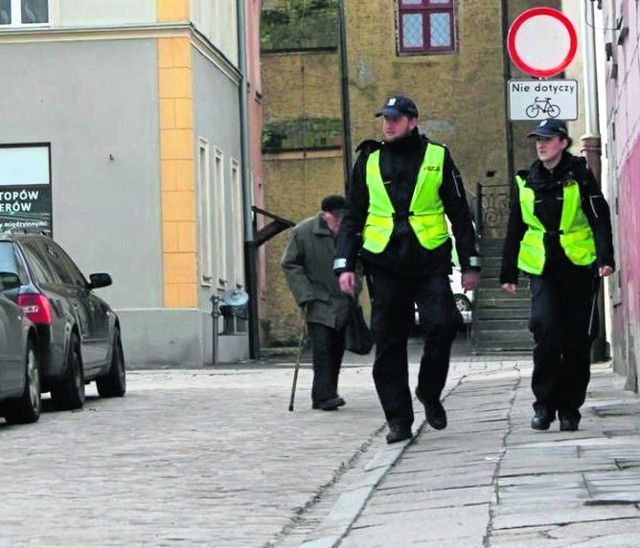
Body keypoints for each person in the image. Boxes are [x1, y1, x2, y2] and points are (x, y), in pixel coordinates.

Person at [334, 95, 481, 443]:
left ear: (413, 121)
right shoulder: (368, 159)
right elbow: (353, 216)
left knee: (444, 324)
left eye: (396, 119)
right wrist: (345, 264)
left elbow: (459, 213)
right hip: (383, 262)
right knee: (388, 342)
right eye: (385, 118)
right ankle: (398, 420)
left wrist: (470, 262)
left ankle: (429, 392)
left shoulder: (437, 156)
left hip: (428, 258)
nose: (388, 124)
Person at [500, 119, 615, 432]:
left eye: (548, 139)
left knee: (577, 341)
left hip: (578, 265)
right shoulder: (526, 180)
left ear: (563, 143)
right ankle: (544, 405)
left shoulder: (579, 176)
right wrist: (507, 271)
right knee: (546, 331)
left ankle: (569, 409)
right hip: (542, 269)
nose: (541, 144)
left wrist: (605, 257)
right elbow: (516, 228)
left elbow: (599, 217)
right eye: (538, 139)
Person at [281, 194, 354, 411]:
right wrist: (304, 295)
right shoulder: (304, 232)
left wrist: (354, 281)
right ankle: (322, 396)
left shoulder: (349, 232)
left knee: (337, 349)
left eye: (344, 217)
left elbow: (358, 260)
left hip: (341, 301)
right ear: (325, 215)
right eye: (337, 217)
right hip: (316, 300)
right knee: (322, 348)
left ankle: (329, 392)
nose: (340, 222)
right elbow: (290, 264)